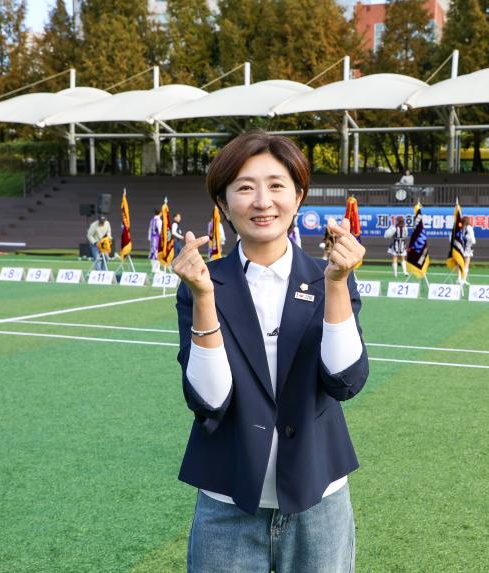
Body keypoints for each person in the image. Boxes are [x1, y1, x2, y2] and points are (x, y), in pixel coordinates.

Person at [172, 131, 368, 572]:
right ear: (223, 204)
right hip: (228, 499)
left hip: (320, 498)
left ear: (298, 197)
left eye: (276, 185)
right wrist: (203, 297)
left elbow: (345, 380)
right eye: (245, 187)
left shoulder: (330, 275)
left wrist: (337, 284)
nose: (262, 201)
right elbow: (209, 399)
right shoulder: (203, 283)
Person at [148, 208, 162, 273]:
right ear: (160, 213)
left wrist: (149, 238)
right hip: (157, 238)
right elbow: (160, 231)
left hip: (152, 238)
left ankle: (153, 268)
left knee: (152, 252)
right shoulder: (159, 221)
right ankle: (157, 269)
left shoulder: (152, 220)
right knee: (157, 252)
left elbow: (150, 230)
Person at [463, 216, 476, 284]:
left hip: (461, 247)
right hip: (467, 247)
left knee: (461, 264)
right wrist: (473, 242)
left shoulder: (462, 228)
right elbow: (472, 238)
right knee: (466, 264)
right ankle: (463, 279)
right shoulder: (469, 227)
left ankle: (460, 279)